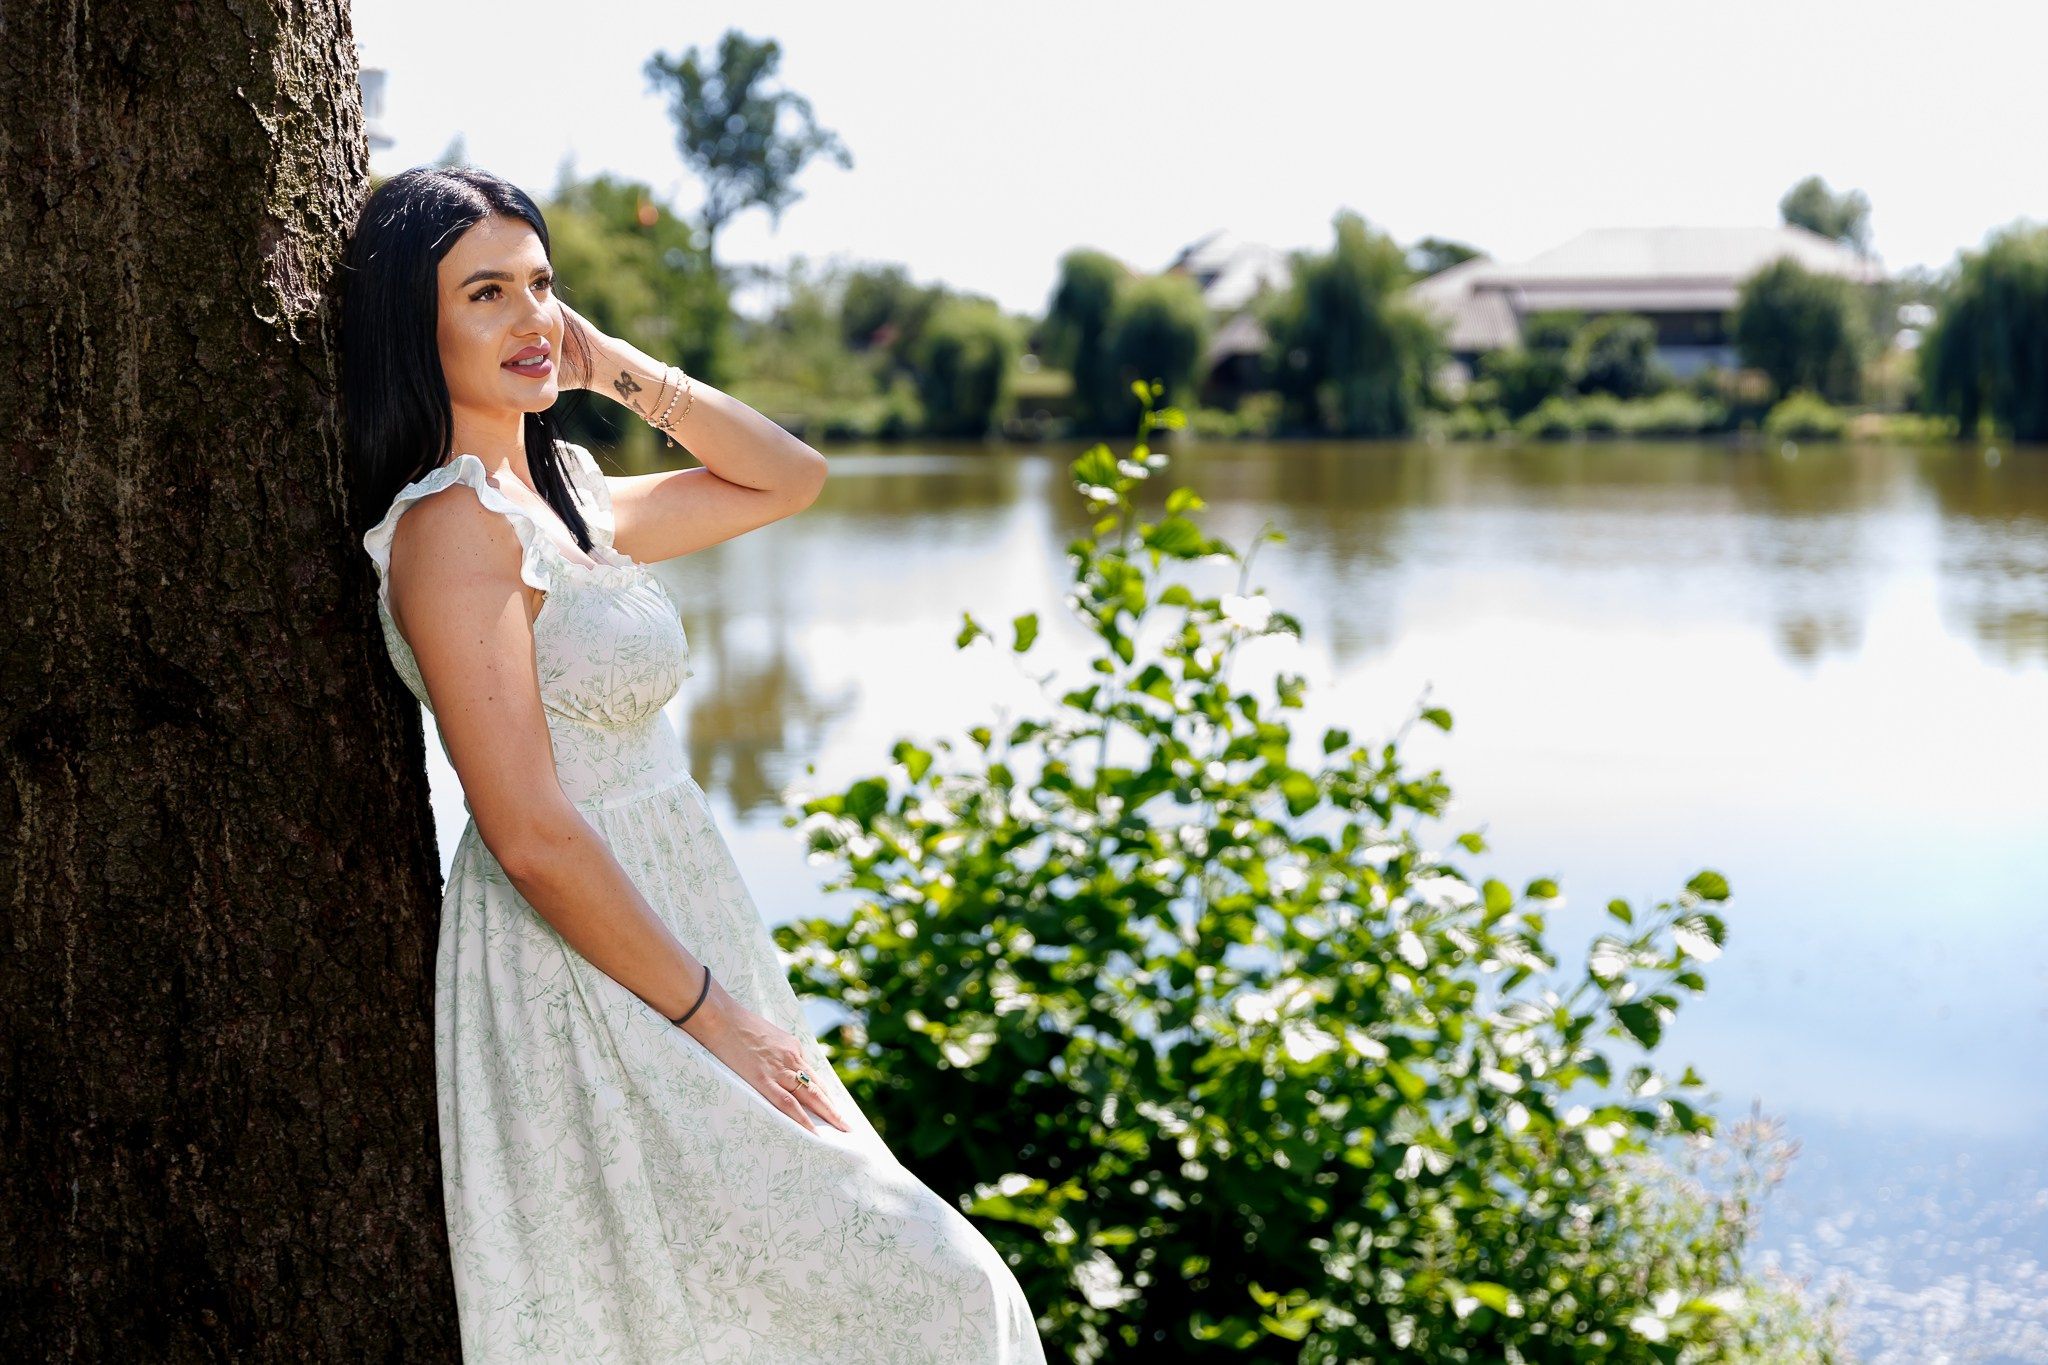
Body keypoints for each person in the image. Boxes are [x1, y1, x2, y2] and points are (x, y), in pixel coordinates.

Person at [340, 166, 1047, 1363]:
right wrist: (720, 1023)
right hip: (588, 961)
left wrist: (611, 363)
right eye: (485, 294)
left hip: (682, 914)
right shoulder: (454, 528)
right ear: (414, 323)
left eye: (541, 284)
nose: (529, 319)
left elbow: (788, 477)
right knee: (931, 1286)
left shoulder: (558, 498)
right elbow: (528, 830)